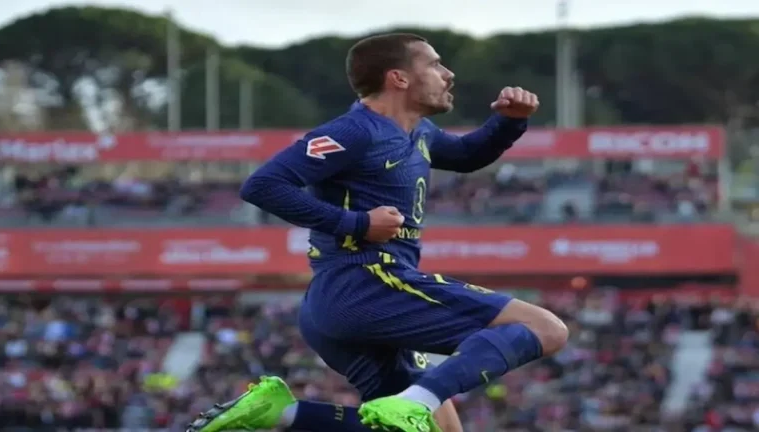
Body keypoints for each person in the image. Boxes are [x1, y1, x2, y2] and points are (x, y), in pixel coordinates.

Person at [187, 32, 568, 432]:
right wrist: (358, 223)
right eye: (435, 64)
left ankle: (283, 414)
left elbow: (468, 156)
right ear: (399, 78)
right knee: (544, 328)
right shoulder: (355, 130)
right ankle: (415, 403)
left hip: (347, 301)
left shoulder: (418, 132)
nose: (448, 74)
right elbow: (263, 185)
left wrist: (508, 123)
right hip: (367, 282)